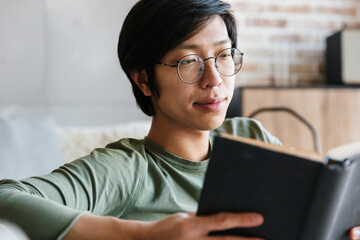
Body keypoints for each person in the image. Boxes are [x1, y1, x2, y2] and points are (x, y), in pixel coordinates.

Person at [0, 0, 359, 239]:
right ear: (142, 79)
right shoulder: (128, 170)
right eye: (189, 61)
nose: (214, 79)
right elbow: (7, 196)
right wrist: (146, 235)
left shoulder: (250, 136)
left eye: (223, 55)